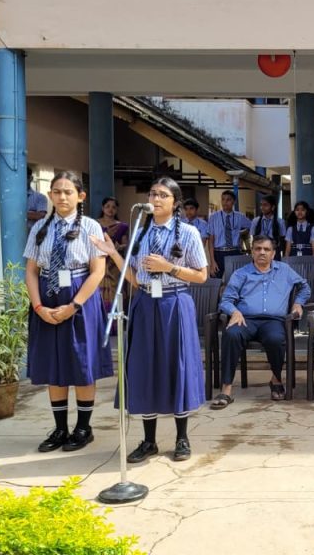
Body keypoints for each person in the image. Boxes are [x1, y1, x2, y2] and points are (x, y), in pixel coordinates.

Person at [92, 177, 208, 463]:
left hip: (174, 302)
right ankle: (149, 440)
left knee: (176, 365)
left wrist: (169, 267)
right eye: (152, 194)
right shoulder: (140, 233)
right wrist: (113, 254)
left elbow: (202, 276)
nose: (155, 199)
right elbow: (133, 278)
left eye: (163, 195)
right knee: (144, 368)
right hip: (144, 302)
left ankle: (182, 438)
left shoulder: (189, 232)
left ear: (175, 202)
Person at [24, 171, 112, 454]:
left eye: (68, 192)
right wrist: (38, 307)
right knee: (54, 364)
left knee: (81, 363)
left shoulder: (90, 227)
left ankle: (83, 428)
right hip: (47, 297)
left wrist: (74, 305)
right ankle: (60, 428)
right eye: (57, 192)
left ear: (80, 196)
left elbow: (97, 272)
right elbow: (31, 271)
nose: (62, 197)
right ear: (50, 195)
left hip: (79, 297)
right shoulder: (40, 228)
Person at [216, 236, 310, 406]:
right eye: (258, 249)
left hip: (273, 321)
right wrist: (234, 311)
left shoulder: (284, 270)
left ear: (273, 253)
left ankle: (276, 379)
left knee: (276, 339)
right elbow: (226, 300)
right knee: (231, 334)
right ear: (252, 252)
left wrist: (298, 303)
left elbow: (305, 287)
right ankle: (226, 389)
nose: (262, 252)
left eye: (266, 249)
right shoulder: (241, 273)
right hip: (246, 319)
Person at [207, 190, 250, 279]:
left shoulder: (240, 216)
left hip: (235, 252)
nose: (225, 202)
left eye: (228, 200)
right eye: (223, 199)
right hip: (219, 253)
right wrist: (212, 261)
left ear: (234, 202)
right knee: (215, 279)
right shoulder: (213, 217)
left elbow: (253, 227)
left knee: (236, 280)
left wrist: (244, 238)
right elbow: (211, 241)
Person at [97, 197, 130, 310]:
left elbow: (125, 244)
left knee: (116, 290)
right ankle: (100, 317)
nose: (110, 209)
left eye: (114, 207)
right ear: (102, 208)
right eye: (107, 206)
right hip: (99, 261)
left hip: (115, 264)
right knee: (97, 288)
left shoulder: (122, 226)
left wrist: (118, 247)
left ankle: (116, 318)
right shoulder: (95, 224)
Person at [251, 194, 285, 259]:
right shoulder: (255, 221)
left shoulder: (280, 222)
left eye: (265, 205)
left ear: (273, 207)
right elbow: (253, 239)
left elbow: (282, 240)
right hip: (259, 251)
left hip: (274, 252)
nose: (262, 207)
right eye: (261, 205)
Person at [26, 166, 48, 231]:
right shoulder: (10, 198)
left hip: (32, 234)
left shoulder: (40, 197)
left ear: (31, 178)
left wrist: (17, 214)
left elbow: (40, 216)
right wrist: (31, 214)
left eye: (25, 177)